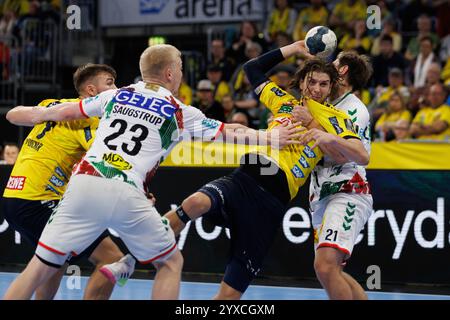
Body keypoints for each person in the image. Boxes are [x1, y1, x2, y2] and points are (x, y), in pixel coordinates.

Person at [3, 44, 302, 300]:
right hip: (125, 190)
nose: (182, 74)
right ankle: (129, 264)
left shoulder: (113, 96)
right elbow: (231, 131)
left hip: (83, 184)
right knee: (170, 262)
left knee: (39, 267)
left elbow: (54, 113)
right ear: (171, 73)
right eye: (181, 68)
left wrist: (26, 113)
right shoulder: (179, 111)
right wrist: (272, 137)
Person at [149, 41, 363, 300]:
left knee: (229, 297)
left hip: (273, 201)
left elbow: (359, 155)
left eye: (323, 84)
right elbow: (252, 68)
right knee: (195, 202)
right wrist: (295, 47)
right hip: (245, 178)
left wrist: (315, 125)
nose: (316, 89)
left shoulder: (337, 119)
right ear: (302, 82)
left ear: (331, 88)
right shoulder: (283, 102)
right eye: (311, 81)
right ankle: (134, 255)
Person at [1, 64, 134, 300]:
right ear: (92, 91)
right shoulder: (88, 119)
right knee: (112, 257)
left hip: (14, 197)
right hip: (38, 199)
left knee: (53, 261)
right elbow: (106, 163)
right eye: (110, 83)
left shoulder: (51, 103)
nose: (117, 87)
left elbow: (11, 114)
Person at [293, 50, 373, 300]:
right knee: (330, 270)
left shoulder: (353, 110)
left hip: (348, 190)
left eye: (334, 64)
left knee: (325, 265)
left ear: (343, 71)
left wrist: (312, 125)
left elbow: (345, 155)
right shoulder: (324, 104)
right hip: (321, 196)